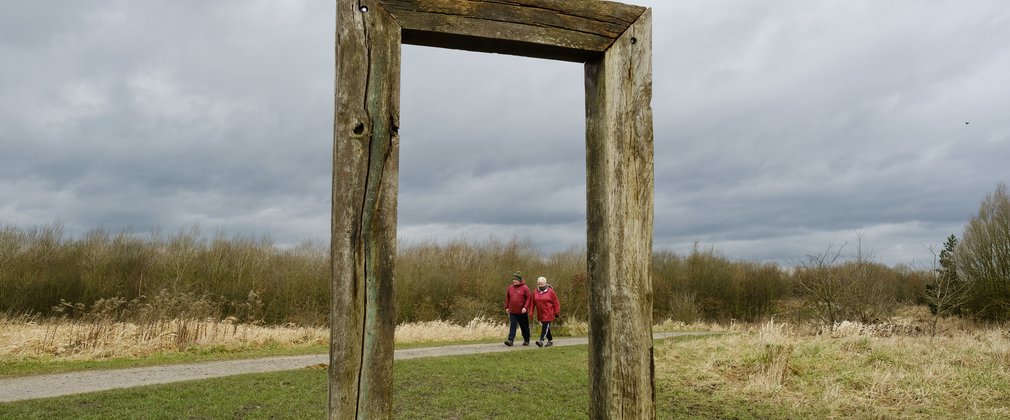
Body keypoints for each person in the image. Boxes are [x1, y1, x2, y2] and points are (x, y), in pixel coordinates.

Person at [504, 271, 533, 346]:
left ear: (519, 280)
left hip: (522, 312)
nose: (514, 281)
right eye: (513, 279)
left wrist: (525, 308)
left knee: (524, 327)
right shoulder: (510, 288)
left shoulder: (525, 288)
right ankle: (510, 340)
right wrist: (507, 307)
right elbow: (507, 298)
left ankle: (526, 340)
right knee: (513, 325)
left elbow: (528, 298)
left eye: (516, 280)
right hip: (513, 311)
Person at [531, 276, 561, 347]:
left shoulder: (551, 292)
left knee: (545, 326)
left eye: (542, 284)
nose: (541, 285)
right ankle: (550, 341)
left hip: (549, 313)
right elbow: (532, 303)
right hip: (540, 314)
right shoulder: (535, 292)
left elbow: (556, 303)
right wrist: (531, 312)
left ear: (546, 283)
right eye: (539, 284)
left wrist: (557, 312)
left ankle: (541, 340)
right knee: (546, 327)